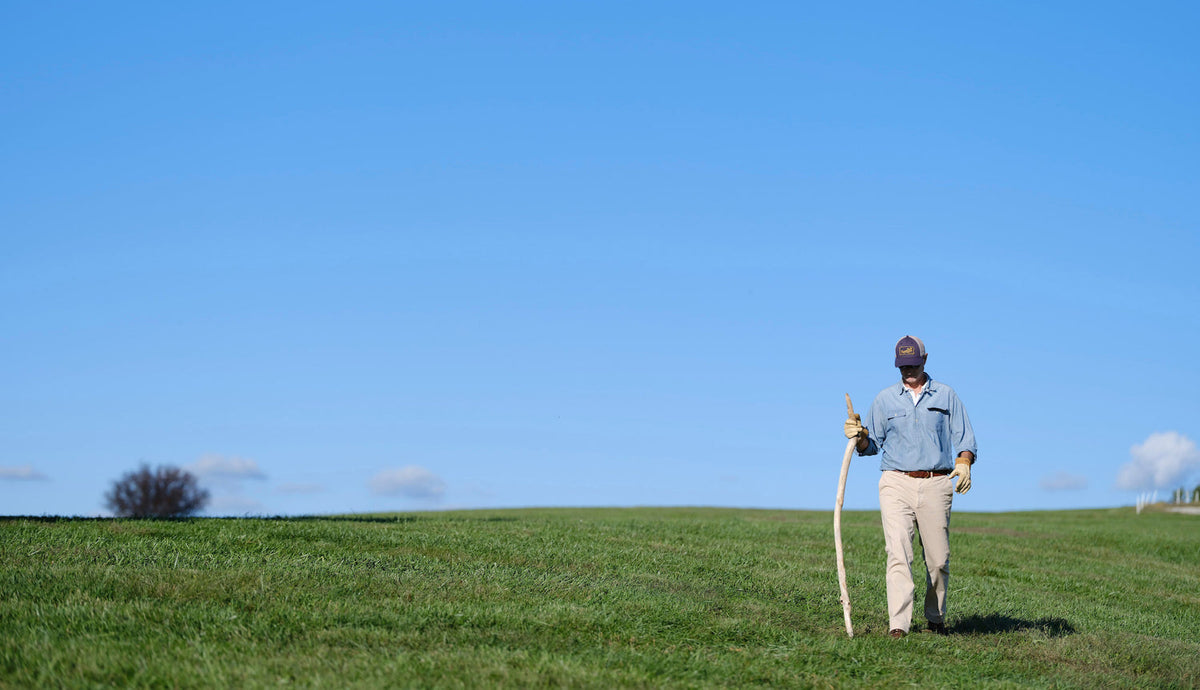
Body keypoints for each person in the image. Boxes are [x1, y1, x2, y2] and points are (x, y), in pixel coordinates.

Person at [843, 335, 976, 639]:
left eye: (913, 365)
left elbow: (965, 438)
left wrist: (965, 461)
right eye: (902, 366)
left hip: (936, 482)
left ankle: (935, 617)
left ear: (925, 361)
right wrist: (858, 435)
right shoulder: (885, 399)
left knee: (938, 559)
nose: (908, 371)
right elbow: (871, 443)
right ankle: (898, 624)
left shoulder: (946, 395)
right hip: (896, 482)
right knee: (898, 553)